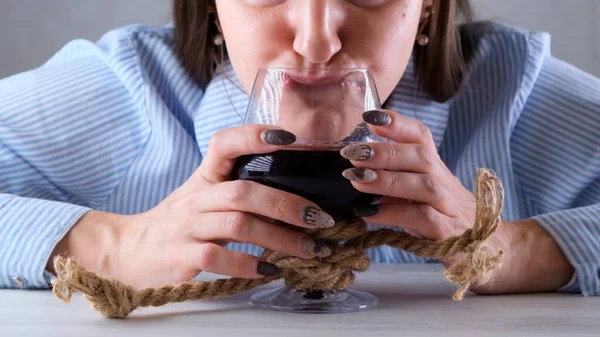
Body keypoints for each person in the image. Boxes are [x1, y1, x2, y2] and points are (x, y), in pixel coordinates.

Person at [0, 0, 598, 296]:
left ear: (430, 7)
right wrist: (109, 243)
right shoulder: (128, 86)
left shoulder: (513, 88)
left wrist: (513, 249)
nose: (316, 41)